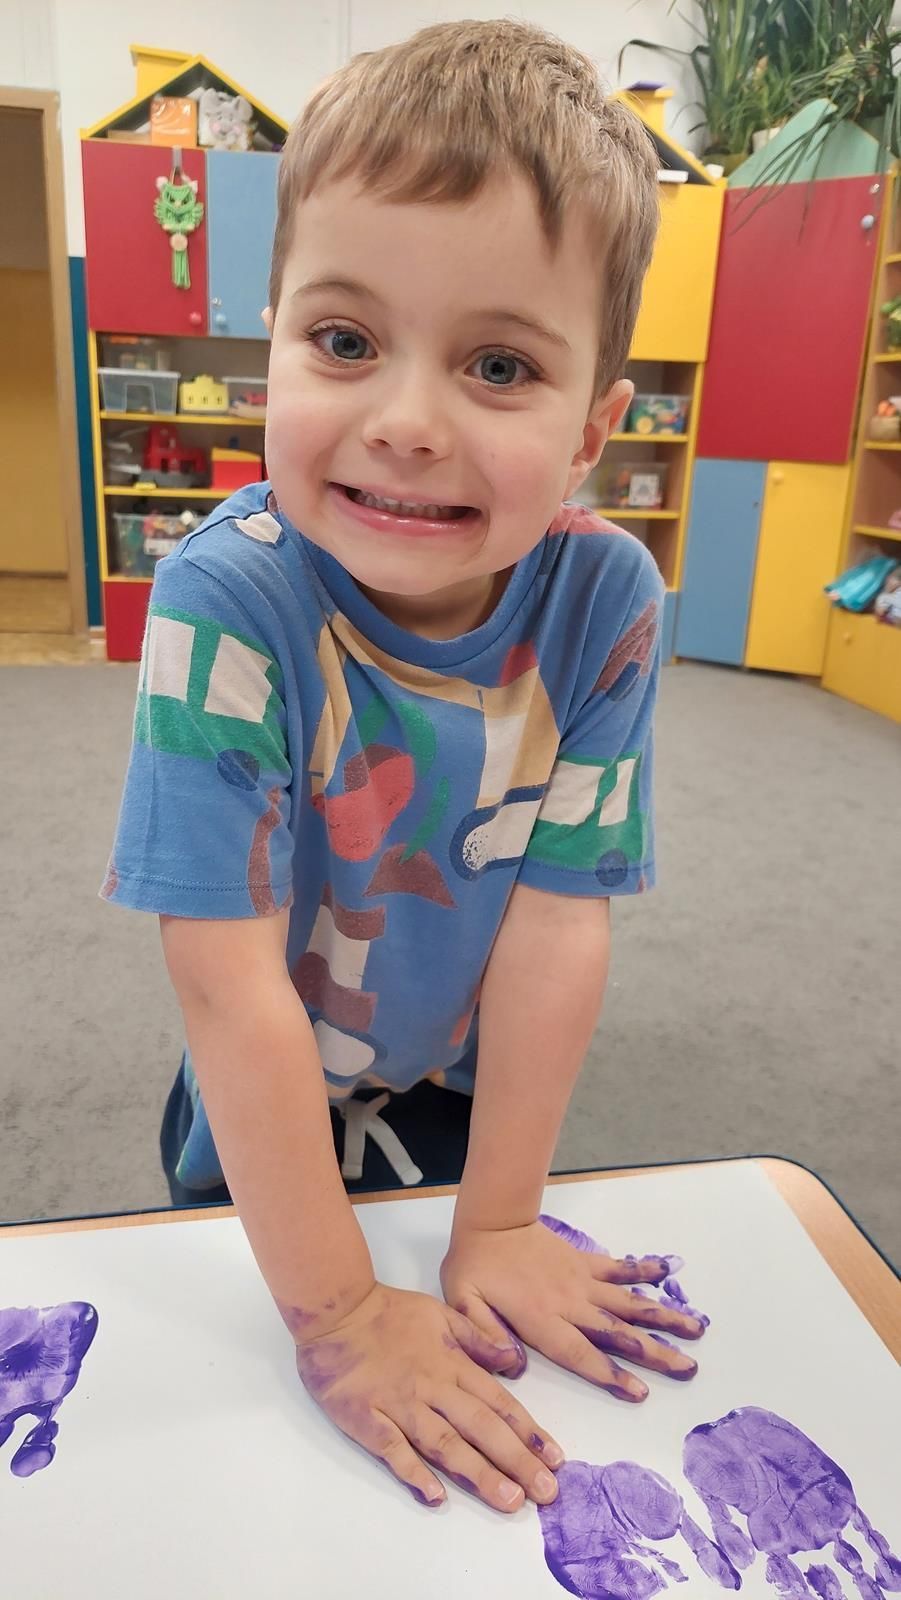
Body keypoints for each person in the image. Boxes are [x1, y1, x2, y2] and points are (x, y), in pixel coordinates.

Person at [101, 17, 706, 1518]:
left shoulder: (607, 603)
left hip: (462, 1093)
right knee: (253, 1470)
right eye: (345, 342)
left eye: (498, 365)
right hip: (266, 1099)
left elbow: (560, 919)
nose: (407, 424)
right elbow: (225, 985)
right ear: (274, 339)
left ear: (593, 431)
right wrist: (339, 1318)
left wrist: (496, 1222)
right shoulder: (225, 597)